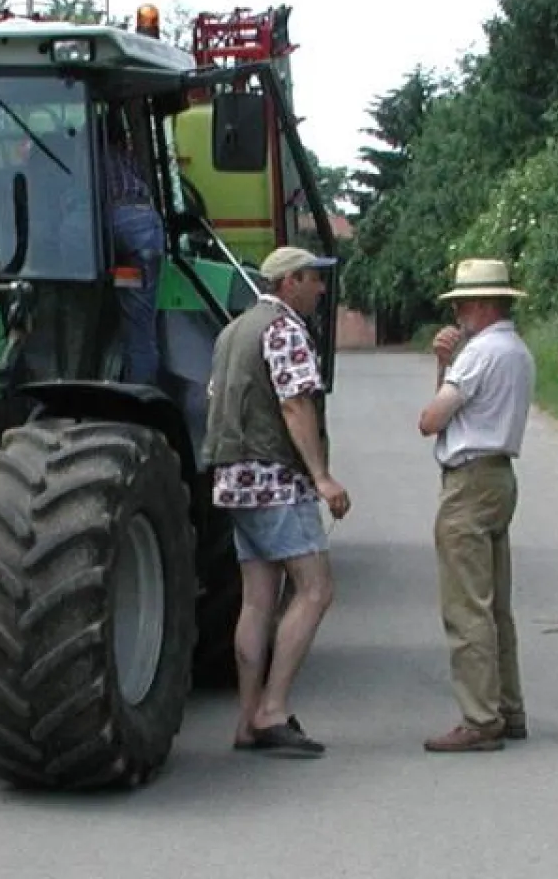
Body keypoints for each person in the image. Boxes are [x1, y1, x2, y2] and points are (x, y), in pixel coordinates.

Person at [202, 245, 351, 756]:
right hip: (275, 479)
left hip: (234, 479)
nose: (321, 289)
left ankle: (247, 721)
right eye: (314, 279)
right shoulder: (284, 329)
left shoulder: (232, 332)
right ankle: (272, 710)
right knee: (315, 590)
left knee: (256, 601)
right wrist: (322, 477)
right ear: (290, 282)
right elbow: (294, 404)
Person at [417, 258, 535, 753]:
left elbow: (431, 420)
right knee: (495, 605)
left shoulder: (478, 353)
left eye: (463, 303)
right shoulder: (517, 350)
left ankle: (480, 718)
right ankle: (508, 707)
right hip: (500, 474)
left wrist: (445, 365)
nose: (458, 313)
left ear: (483, 304)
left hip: (468, 479)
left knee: (466, 605)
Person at [103, 122, 165, 385]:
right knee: (140, 329)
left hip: (105, 226)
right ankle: (142, 395)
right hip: (143, 231)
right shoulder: (126, 158)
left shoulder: (81, 158)